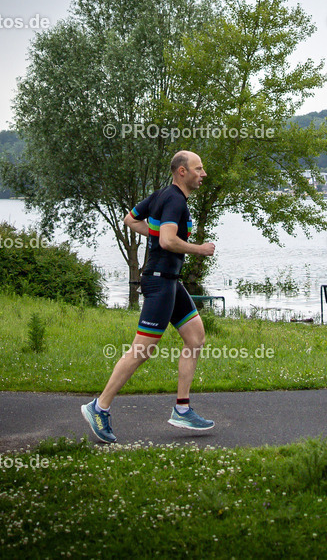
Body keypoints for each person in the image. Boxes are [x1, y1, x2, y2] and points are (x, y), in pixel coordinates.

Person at [81, 150, 216, 443]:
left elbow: (130, 219)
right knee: (141, 350)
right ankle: (99, 406)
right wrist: (200, 248)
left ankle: (182, 409)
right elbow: (168, 241)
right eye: (198, 168)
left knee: (195, 338)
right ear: (182, 171)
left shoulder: (162, 195)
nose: (203, 173)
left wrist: (154, 235)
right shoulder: (175, 200)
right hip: (159, 282)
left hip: (170, 282)